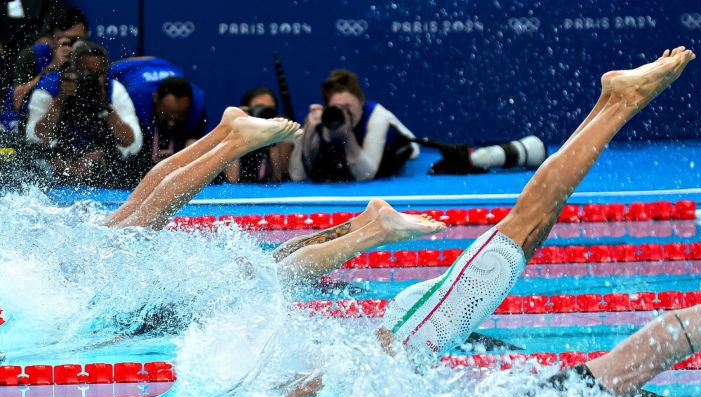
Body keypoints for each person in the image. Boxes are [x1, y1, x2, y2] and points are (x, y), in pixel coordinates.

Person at [284, 47, 701, 397]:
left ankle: (618, 103)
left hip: (403, 343)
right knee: (535, 228)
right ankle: (612, 103)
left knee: (529, 223)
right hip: (401, 345)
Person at [102, 108, 445, 288]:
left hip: (162, 295)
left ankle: (372, 230)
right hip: (168, 286)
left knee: (135, 226)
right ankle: (225, 132)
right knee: (131, 218)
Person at [25, 41, 142, 185]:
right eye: (86, 72)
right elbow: (36, 136)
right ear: (73, 69)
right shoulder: (49, 88)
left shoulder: (114, 90)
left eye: (99, 73)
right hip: (56, 163)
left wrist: (105, 107)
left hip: (97, 165)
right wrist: (60, 100)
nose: (92, 78)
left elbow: (132, 141)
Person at [290, 69, 418, 182]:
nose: (344, 113)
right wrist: (307, 134)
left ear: (361, 103)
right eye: (337, 108)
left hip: (404, 147)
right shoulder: (328, 119)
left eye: (347, 107)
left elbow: (365, 174)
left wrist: (347, 136)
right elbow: (297, 175)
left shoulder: (378, 116)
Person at [108, 56, 207, 185]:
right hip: (124, 67)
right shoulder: (136, 100)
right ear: (155, 99)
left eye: (179, 116)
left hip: (163, 64)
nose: (172, 122)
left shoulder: (197, 105)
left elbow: (194, 141)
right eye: (167, 115)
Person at [10, 6, 87, 115]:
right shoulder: (32, 55)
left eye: (76, 40)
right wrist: (53, 66)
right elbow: (17, 102)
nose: (69, 47)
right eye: (63, 40)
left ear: (86, 37)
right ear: (52, 39)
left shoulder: (92, 56)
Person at [224, 86, 293, 183]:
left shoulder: (282, 133)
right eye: (260, 108)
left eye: (269, 109)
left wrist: (273, 138)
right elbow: (232, 178)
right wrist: (236, 130)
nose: (265, 113)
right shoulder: (235, 132)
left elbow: (278, 177)